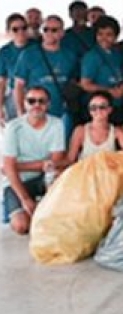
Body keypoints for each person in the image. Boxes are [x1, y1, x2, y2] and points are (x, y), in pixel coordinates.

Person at [2, 85, 65, 235]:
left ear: (48, 104)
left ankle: (42, 209)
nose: (36, 105)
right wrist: (24, 199)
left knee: (59, 173)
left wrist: (19, 166)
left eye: (41, 101)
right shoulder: (13, 127)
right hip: (18, 182)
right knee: (21, 226)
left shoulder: (56, 124)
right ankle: (33, 207)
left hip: (45, 179)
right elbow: (9, 169)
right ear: (24, 103)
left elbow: (54, 163)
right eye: (31, 101)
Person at [14, 15, 79, 126]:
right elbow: (19, 85)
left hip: (62, 114)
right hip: (35, 113)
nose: (49, 33)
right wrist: (21, 112)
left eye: (54, 30)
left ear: (62, 33)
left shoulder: (70, 56)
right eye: (45, 29)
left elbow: (75, 81)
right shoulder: (28, 54)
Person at [80, 16, 123, 125]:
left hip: (116, 106)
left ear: (116, 37)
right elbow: (85, 84)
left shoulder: (117, 54)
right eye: (100, 34)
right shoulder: (92, 56)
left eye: (109, 34)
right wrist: (109, 91)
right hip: (98, 110)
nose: (104, 38)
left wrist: (122, 88)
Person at [65, 91, 123, 164]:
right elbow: (70, 159)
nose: (98, 110)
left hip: (109, 172)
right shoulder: (80, 130)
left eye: (102, 107)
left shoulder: (116, 130)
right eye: (93, 107)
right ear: (89, 110)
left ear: (110, 109)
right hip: (85, 173)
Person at [0, 13, 30, 124]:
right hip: (13, 96)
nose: (20, 32)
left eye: (24, 28)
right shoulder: (4, 52)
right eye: (15, 29)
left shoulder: (36, 47)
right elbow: (2, 81)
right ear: (9, 32)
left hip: (36, 93)